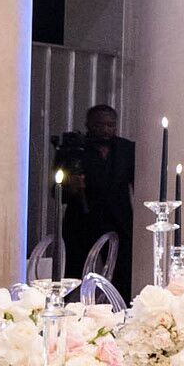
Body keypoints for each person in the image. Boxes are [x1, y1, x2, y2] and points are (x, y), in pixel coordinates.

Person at [54, 104, 137, 296]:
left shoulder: (127, 149)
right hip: (81, 221)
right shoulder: (72, 149)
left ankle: (122, 313)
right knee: (76, 275)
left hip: (119, 222)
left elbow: (139, 185)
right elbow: (55, 191)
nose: (106, 129)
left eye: (110, 125)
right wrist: (71, 186)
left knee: (123, 276)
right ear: (88, 124)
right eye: (100, 125)